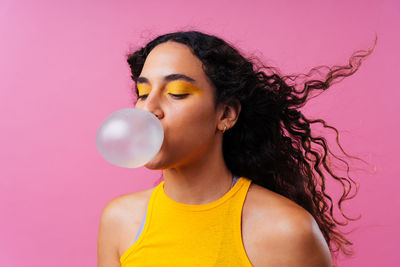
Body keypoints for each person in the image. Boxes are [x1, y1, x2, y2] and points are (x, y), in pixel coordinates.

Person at [97, 30, 376, 267]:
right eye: (143, 93)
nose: (149, 109)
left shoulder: (286, 231)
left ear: (226, 114)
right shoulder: (120, 220)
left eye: (177, 92)